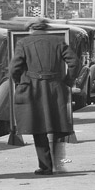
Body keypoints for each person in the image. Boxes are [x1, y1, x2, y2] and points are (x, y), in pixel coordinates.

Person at [9, 18, 80, 176]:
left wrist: (19, 82)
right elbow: (75, 62)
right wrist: (68, 80)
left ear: (31, 29)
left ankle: (46, 166)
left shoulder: (23, 43)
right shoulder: (58, 41)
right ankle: (57, 163)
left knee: (38, 127)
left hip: (34, 90)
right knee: (57, 126)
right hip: (56, 88)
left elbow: (14, 68)